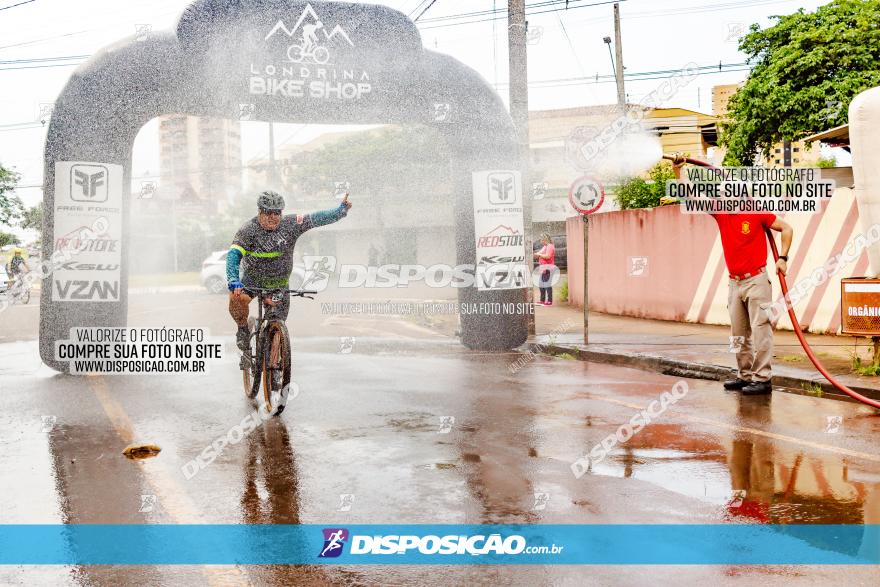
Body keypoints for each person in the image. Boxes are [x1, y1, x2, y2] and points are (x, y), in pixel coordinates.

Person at [669, 158, 793, 395]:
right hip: (734, 282)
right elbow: (692, 198)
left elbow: (787, 228)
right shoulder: (722, 214)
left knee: (761, 330)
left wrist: (783, 258)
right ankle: (743, 375)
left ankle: (763, 378)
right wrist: (679, 172)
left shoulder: (757, 212)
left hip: (757, 280)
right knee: (738, 333)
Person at [227, 190, 352, 349]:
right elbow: (233, 255)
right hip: (253, 281)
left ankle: (274, 363)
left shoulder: (290, 224)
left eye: (277, 213)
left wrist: (340, 211)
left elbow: (317, 218)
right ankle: (243, 329)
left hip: (279, 284)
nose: (273, 217)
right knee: (235, 298)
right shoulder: (248, 230)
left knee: (277, 327)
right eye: (268, 212)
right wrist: (233, 279)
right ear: (259, 212)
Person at [533, 234, 556, 306]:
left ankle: (549, 301)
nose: (540, 241)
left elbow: (548, 256)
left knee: (547, 284)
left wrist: (539, 255)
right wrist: (537, 254)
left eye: (541, 240)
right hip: (543, 268)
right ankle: (542, 300)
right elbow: (539, 253)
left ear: (545, 239)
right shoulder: (545, 246)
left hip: (548, 268)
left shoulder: (550, 246)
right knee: (541, 284)